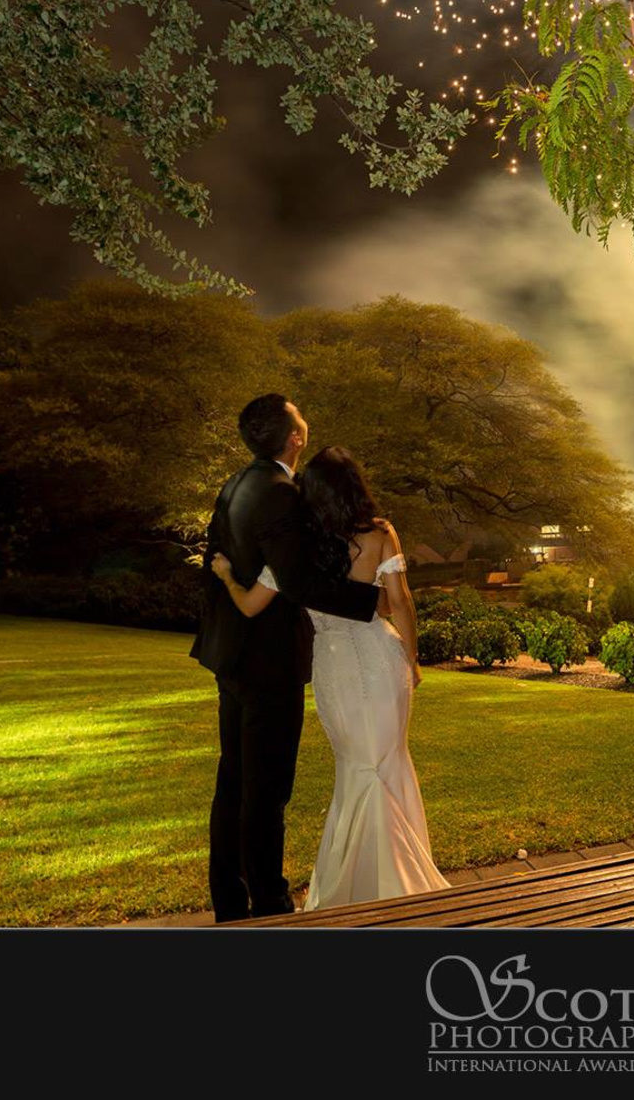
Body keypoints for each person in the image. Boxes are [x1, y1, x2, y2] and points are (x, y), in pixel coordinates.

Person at [211, 444, 450, 910]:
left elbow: (249, 605)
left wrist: (225, 575)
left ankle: (354, 884)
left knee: (358, 768)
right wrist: (414, 658)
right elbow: (399, 603)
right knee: (388, 760)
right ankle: (400, 884)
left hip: (334, 666)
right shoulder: (380, 533)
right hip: (382, 660)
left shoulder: (298, 546)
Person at [190, 395, 385, 923]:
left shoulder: (237, 484)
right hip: (267, 661)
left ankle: (230, 902)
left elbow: (216, 564)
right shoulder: (279, 492)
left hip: (230, 655)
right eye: (301, 416)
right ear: (294, 438)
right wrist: (373, 601)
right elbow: (296, 581)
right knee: (267, 787)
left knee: (233, 781)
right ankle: (270, 904)